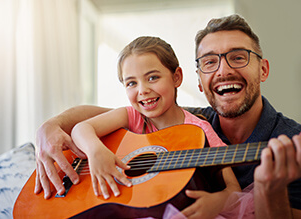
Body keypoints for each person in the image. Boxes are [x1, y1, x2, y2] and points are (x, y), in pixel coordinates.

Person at [34, 14, 301, 218]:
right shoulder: (177, 118)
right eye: (210, 62)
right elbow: (90, 120)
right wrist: (51, 127)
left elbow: (233, 191)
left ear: (263, 70)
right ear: (198, 82)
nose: (223, 71)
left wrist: (266, 190)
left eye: (238, 57)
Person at [69, 36, 247, 218]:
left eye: (152, 77)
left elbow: (233, 188)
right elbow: (80, 129)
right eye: (131, 83)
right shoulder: (132, 116)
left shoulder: (199, 130)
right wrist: (95, 150)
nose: (142, 90)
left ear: (176, 77)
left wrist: (217, 202)